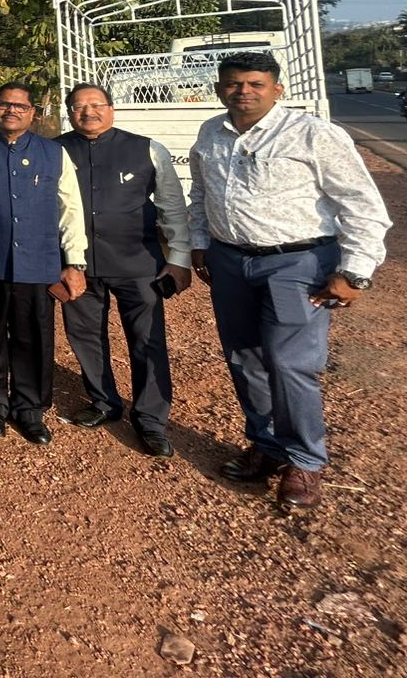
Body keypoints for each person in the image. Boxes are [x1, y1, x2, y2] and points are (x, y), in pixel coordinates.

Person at [187, 52, 390, 510]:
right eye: (234, 84)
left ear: (277, 88)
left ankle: (304, 461)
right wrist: (201, 242)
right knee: (244, 357)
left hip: (297, 264)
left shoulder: (313, 134)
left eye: (255, 84)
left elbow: (361, 204)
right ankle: (266, 445)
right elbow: (200, 191)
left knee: (288, 361)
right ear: (220, 89)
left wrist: (356, 270)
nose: (244, 91)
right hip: (230, 261)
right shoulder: (211, 133)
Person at [0, 81, 87, 445]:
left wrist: (74, 260)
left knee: (32, 337)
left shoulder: (52, 153)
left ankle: (29, 408)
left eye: (20, 106)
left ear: (32, 112)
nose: (12, 110)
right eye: (4, 104)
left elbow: (71, 210)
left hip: (37, 262)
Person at [57, 84, 191, 457]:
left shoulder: (147, 149)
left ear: (111, 108)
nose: (88, 112)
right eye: (78, 107)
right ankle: (103, 402)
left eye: (96, 105)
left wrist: (178, 258)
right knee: (84, 335)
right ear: (69, 112)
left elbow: (172, 208)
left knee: (147, 339)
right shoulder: (54, 150)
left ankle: (150, 418)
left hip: (138, 263)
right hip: (76, 263)